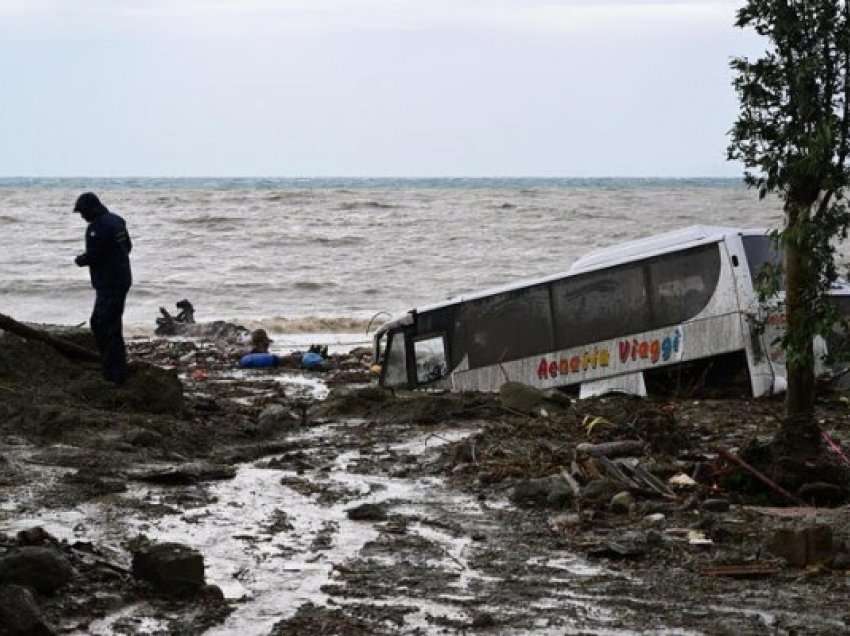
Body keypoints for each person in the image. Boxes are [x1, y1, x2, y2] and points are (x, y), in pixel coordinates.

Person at [73, 192, 133, 384]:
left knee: (101, 324)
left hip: (109, 283)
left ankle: (111, 371)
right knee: (112, 324)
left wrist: (81, 260)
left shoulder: (96, 228)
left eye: (83, 212)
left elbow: (94, 255)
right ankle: (117, 369)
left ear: (92, 208)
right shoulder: (117, 221)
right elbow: (128, 247)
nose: (82, 217)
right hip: (121, 279)